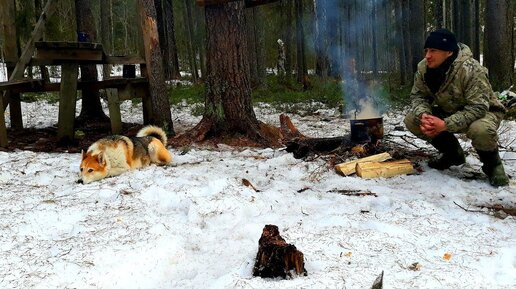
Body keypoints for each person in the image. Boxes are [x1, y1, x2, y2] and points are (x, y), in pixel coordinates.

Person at [404, 28, 509, 186]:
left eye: (433, 50)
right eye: (426, 50)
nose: (427, 56)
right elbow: (418, 96)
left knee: (480, 129)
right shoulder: (424, 68)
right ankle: (453, 154)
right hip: (451, 110)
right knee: (413, 119)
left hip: (484, 113)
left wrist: (445, 124)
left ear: (448, 52)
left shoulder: (471, 69)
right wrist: (425, 115)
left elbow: (478, 108)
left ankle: (493, 166)